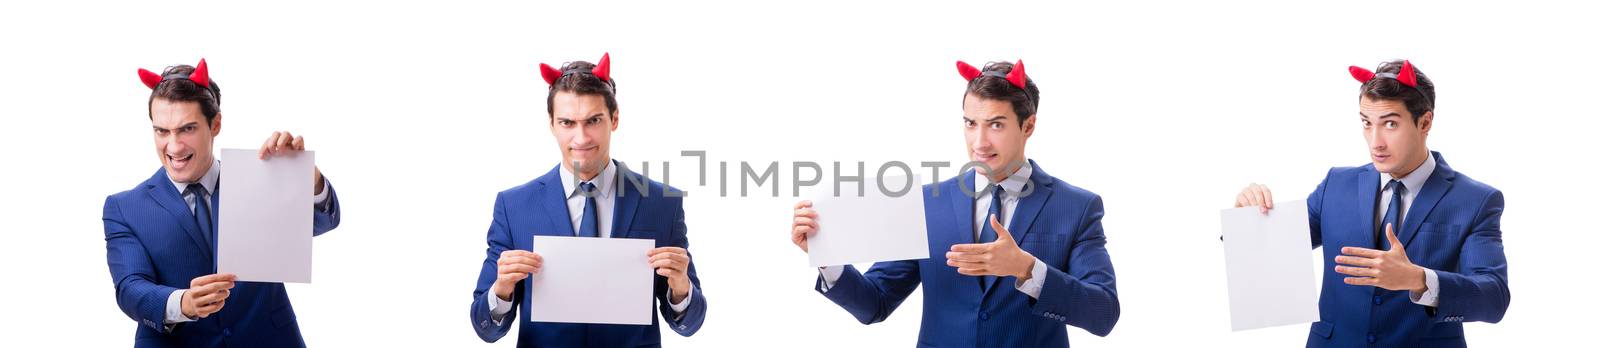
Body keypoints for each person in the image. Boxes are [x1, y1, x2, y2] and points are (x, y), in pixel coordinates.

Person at [789, 59, 1120, 347]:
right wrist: (827, 256)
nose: (980, 142)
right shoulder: (927, 204)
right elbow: (874, 303)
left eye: (996, 125)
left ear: (1028, 125)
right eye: (970, 123)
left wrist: (1026, 268)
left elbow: (1103, 313)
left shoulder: (1076, 207)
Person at [1233, 60, 1510, 347]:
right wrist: (1248, 220)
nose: (1375, 142)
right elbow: (1272, 253)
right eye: (1367, 122)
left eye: (1390, 124)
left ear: (1425, 122)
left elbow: (1494, 296)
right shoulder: (1336, 185)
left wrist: (1419, 279)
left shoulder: (1475, 200)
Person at [467, 53, 707, 347]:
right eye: (567, 122)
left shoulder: (661, 203)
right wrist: (502, 289)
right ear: (552, 124)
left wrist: (681, 288)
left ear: (614, 118)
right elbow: (486, 329)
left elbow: (689, 325)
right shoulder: (515, 206)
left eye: (593, 120)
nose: (581, 138)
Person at [103, 59, 343, 347]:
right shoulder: (125, 207)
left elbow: (322, 222)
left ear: (215, 124)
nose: (174, 146)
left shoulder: (259, 181)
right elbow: (130, 288)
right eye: (162, 131)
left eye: (187, 129)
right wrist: (182, 303)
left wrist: (301, 175)